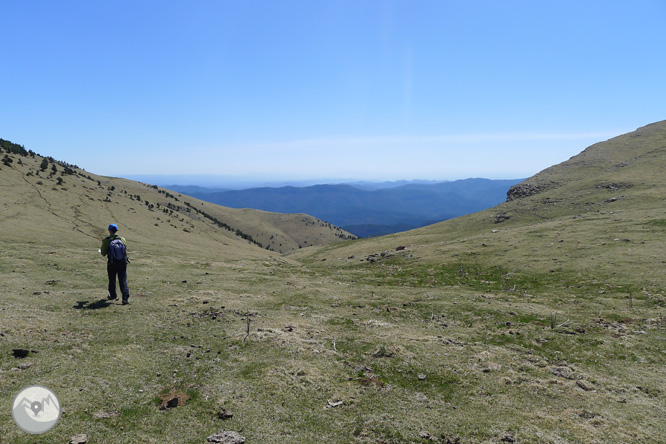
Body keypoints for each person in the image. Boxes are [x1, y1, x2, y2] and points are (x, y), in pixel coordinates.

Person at [100, 223, 130, 305]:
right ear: (116, 230)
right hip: (122, 263)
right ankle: (125, 298)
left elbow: (103, 253)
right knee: (123, 280)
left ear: (109, 230)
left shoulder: (107, 240)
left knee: (112, 279)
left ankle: (113, 295)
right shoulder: (122, 239)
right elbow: (125, 249)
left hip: (112, 263)